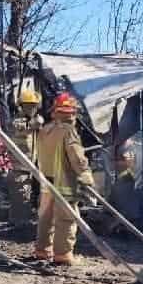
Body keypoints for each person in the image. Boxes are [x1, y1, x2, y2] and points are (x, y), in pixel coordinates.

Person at [35, 92, 93, 265]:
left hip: (46, 181)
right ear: (71, 114)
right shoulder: (68, 132)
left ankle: (43, 250)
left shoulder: (45, 130)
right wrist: (86, 176)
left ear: (54, 112)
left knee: (45, 217)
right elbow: (77, 157)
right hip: (64, 182)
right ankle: (63, 254)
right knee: (66, 218)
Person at [7, 87, 43, 228]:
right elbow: (21, 129)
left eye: (33, 106)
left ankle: (19, 221)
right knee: (21, 196)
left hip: (30, 165)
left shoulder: (33, 121)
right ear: (21, 106)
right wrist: (35, 124)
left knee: (26, 195)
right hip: (18, 166)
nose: (31, 109)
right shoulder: (18, 121)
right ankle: (20, 224)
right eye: (28, 106)